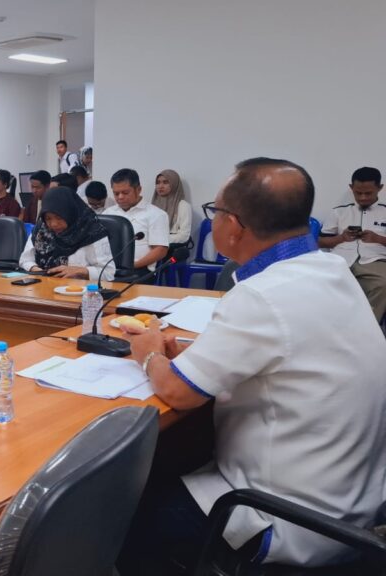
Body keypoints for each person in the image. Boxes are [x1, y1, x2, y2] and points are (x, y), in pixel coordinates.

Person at [117, 158, 386, 573]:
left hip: (286, 517)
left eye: (215, 211)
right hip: (354, 505)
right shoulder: (329, 270)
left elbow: (176, 393)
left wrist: (149, 353)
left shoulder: (263, 294)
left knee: (123, 516)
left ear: (234, 225)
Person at [318, 166, 386, 321]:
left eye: (368, 193)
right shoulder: (339, 212)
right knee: (316, 282)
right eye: (358, 193)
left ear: (380, 188)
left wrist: (378, 239)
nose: (362, 198)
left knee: (384, 284)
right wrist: (341, 238)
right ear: (351, 188)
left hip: (375, 261)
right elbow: (319, 242)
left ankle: (367, 326)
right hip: (339, 261)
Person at [19, 187, 114, 280]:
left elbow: (108, 273)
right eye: (48, 218)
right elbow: (25, 260)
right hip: (44, 286)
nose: (54, 224)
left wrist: (82, 271)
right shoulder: (42, 230)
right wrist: (37, 270)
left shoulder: (91, 232)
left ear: (70, 213)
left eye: (59, 217)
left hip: (79, 288)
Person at [103, 168, 169, 270]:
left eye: (125, 193)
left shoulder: (156, 214)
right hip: (107, 269)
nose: (120, 197)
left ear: (138, 190)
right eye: (116, 193)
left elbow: (160, 250)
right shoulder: (108, 213)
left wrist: (131, 266)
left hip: (138, 270)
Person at [152, 169, 193, 246]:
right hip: (151, 246)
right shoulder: (152, 206)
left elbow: (184, 236)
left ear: (174, 184)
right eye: (158, 182)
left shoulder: (183, 206)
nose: (160, 186)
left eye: (165, 182)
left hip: (170, 248)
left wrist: (159, 240)